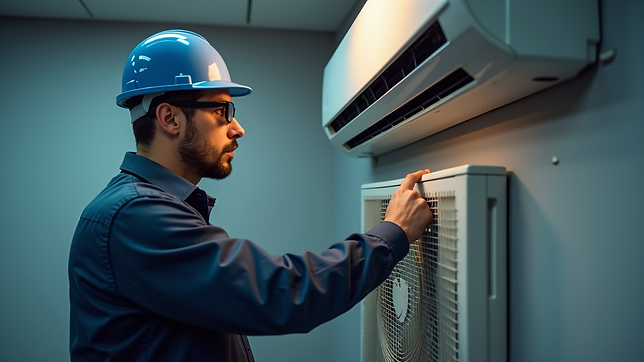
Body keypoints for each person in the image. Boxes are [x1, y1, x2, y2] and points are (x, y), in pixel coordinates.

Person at [68, 29, 433, 362]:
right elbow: (281, 292)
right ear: (170, 118)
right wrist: (392, 233)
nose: (237, 128)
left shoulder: (146, 209)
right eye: (221, 111)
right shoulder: (135, 216)